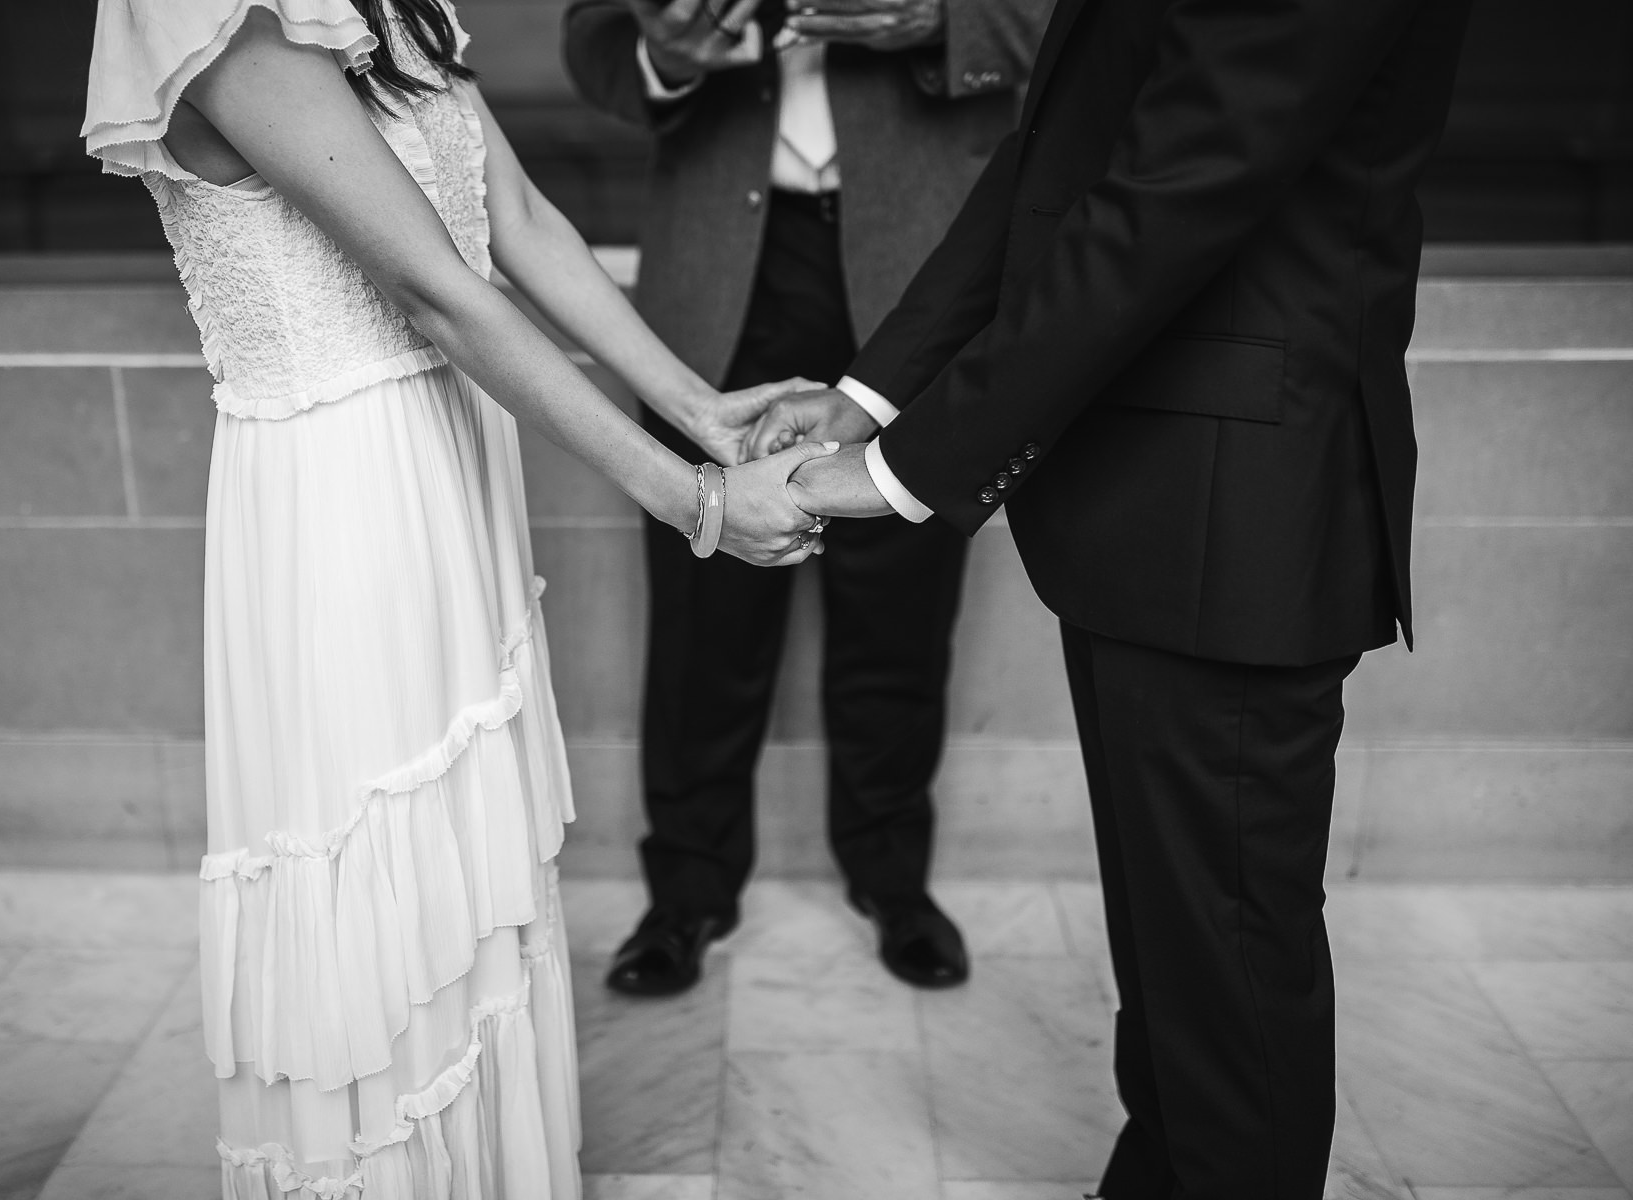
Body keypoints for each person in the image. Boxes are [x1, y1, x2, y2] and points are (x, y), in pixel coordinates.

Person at [81, 0, 827, 1193]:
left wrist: (701, 408)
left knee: (467, 901)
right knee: (384, 896)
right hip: (342, 499)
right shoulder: (207, 12)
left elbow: (518, 219)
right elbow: (436, 289)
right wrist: (690, 499)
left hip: (452, 471)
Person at [758, 0, 1473, 1191]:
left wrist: (900, 471)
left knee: (1230, 979)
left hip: (1234, 502)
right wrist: (877, 393)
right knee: (1176, 958)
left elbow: (1167, 196)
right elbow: (1055, 156)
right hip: (1156, 493)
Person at [562, 0, 1052, 995]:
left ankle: (892, 877)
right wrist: (665, 54)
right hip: (721, 274)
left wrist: (942, 21)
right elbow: (592, 42)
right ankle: (688, 888)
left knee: (903, 610)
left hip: (924, 265)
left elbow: (1073, 29)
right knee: (705, 611)